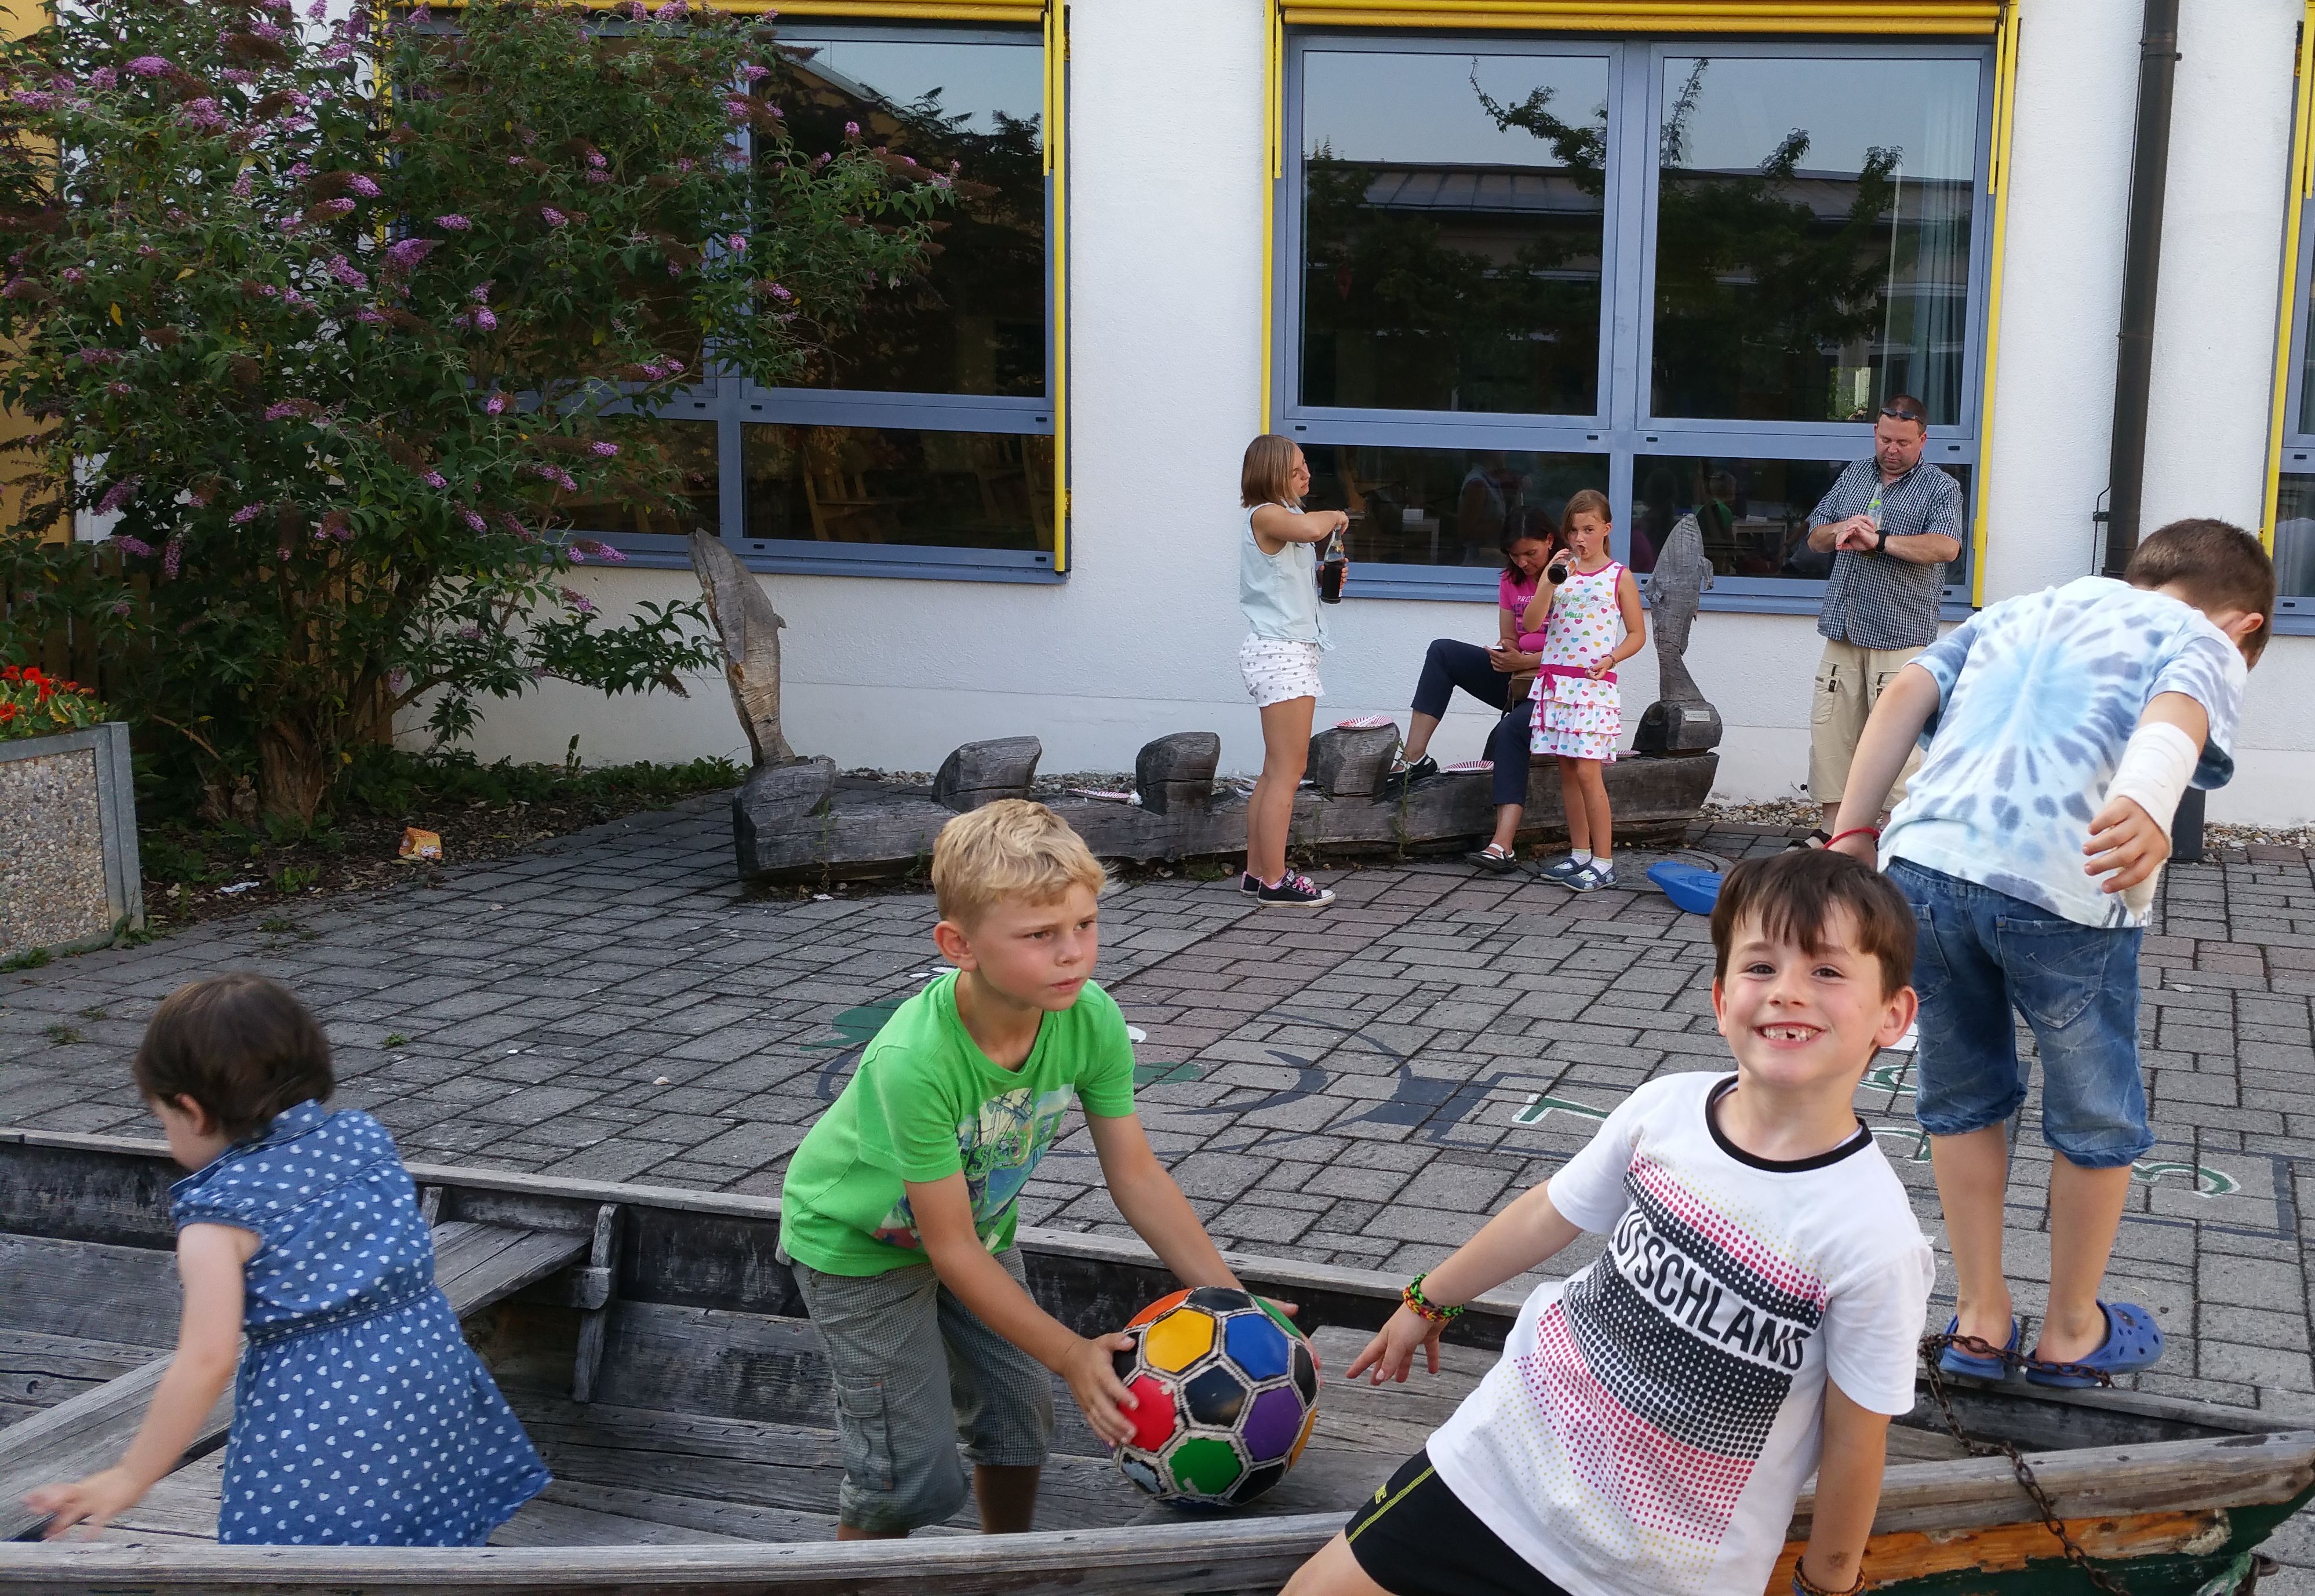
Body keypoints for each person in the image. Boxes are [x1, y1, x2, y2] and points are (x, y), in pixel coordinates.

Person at [1279, 851, 1934, 1596]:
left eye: (1826, 970)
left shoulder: (1874, 1237)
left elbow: (1856, 1438)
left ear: (1893, 1015)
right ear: (1721, 1000)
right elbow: (1546, 1213)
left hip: (1653, 1570)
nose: (1787, 991)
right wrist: (1428, 1300)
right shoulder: (1667, 1109)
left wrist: (1827, 1584)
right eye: (1760, 967)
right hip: (1500, 1466)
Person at [1830, 518, 2272, 1388]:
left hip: (1926, 869)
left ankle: (1978, 1320)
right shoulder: (2200, 636)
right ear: (2244, 627)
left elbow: (1906, 690)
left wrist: (1851, 830)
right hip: (2064, 890)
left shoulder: (2022, 608)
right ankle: (2071, 1330)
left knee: (1960, 1093)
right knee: (2095, 1111)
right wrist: (2147, 802)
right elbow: (2176, 715)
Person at [778, 800, 1269, 1537]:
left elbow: (1135, 1173)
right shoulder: (915, 1061)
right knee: (907, 1472)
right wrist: (1070, 1352)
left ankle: (1003, 1566)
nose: (1073, 953)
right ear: (960, 945)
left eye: (1085, 924)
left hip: (974, 1234)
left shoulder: (1090, 1018)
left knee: (1019, 1415)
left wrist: (1230, 1299)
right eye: (1040, 935)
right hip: (858, 1251)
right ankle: (850, 1577)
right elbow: (947, 1249)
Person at [23, 974, 548, 1544]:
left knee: (310, 1559)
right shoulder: (365, 1140)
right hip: (429, 1382)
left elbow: (206, 1362)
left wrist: (131, 1475)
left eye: (163, 1120)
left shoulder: (218, 1219)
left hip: (325, 1416)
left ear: (193, 1112)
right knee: (428, 1530)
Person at [1799, 393, 1965, 844]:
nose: (1892, 450)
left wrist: (1882, 541)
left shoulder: (1941, 488)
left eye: (1903, 443)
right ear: (1875, 432)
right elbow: (1814, 537)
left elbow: (1946, 547)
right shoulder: (1854, 473)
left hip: (1901, 634)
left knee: (1898, 742)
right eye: (1886, 439)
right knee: (1832, 731)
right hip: (1843, 627)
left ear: (1923, 440)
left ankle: (1894, 836)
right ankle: (1834, 830)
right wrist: (1841, 529)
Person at [1391, 505, 1554, 873]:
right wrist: (1504, 652)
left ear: (1549, 540)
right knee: (1442, 652)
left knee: (1511, 730)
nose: (1524, 562)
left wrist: (1524, 661)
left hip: (1558, 686)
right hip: (1518, 679)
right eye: (1515, 554)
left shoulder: (1569, 576)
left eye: (1531, 553)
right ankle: (1414, 760)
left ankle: (1502, 846)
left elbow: (1578, 651)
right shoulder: (1510, 579)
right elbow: (1510, 636)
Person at [1238, 431, 1347, 908]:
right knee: (1288, 772)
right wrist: (1338, 516)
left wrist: (1321, 577)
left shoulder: (1284, 519)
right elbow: (1310, 530)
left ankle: (1256, 873)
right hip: (1281, 654)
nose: (1307, 473)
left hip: (1289, 651)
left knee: (1273, 772)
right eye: (1297, 467)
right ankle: (1276, 881)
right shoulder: (1266, 514)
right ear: (1273, 473)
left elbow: (1293, 564)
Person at [1520, 489, 1644, 892]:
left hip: (1592, 686)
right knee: (1568, 771)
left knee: (1589, 772)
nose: (1579, 539)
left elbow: (1637, 634)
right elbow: (1532, 624)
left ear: (1607, 529)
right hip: (1557, 684)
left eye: (1589, 530)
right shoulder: (1561, 573)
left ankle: (1604, 862)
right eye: (1573, 531)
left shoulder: (1619, 576)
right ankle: (1579, 854)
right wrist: (1548, 580)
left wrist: (1612, 658)